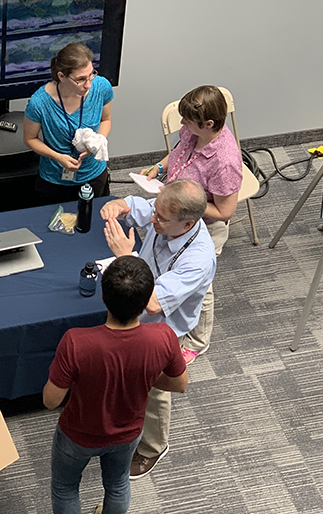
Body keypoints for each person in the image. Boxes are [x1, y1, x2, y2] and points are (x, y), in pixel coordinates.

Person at [44, 255, 188, 514]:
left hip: (77, 434)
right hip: (128, 433)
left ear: (103, 296)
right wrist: (146, 376)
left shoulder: (76, 341)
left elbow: (50, 400)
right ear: (145, 303)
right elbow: (180, 384)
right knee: (118, 483)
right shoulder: (163, 337)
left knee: (65, 488)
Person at [100, 179, 216, 479]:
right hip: (141, 307)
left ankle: (153, 447)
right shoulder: (167, 213)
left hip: (163, 329)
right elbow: (142, 208)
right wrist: (120, 206)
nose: (153, 220)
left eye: (161, 219)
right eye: (156, 211)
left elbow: (152, 304)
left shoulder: (198, 259)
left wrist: (125, 257)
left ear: (189, 222)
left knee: (154, 388)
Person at [141, 85, 242, 364]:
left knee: (200, 287)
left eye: (187, 121)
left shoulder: (225, 162)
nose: (182, 124)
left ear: (209, 124)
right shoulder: (193, 130)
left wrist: (182, 204)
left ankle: (197, 341)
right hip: (178, 215)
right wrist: (160, 168)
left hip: (204, 227)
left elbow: (225, 210)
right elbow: (179, 151)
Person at [24, 43, 113, 205]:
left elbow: (105, 120)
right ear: (62, 76)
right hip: (55, 179)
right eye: (80, 79)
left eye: (91, 75)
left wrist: (98, 140)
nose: (88, 85)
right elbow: (30, 139)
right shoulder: (39, 103)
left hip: (94, 173)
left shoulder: (101, 87)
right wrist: (58, 157)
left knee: (93, 220)